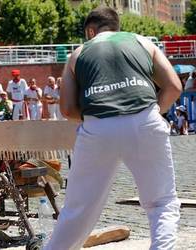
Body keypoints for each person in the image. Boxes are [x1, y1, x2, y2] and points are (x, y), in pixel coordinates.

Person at [45, 7, 182, 250]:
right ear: (116, 26)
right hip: (145, 119)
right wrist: (150, 113)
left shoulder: (78, 53)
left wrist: (98, 119)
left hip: (98, 126)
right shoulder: (142, 42)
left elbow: (66, 109)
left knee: (78, 209)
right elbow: (173, 87)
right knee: (162, 202)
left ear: (90, 30)